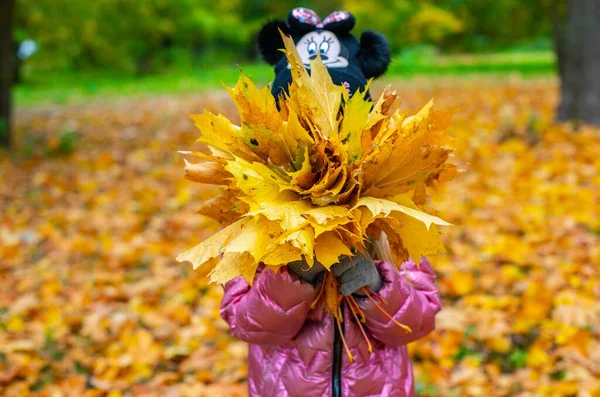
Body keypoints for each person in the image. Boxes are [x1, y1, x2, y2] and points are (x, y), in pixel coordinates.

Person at [220, 8, 442, 397]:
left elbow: (420, 320)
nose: (321, 136)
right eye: (300, 117)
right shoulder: (256, 206)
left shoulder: (390, 207)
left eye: (339, 115)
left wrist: (375, 286)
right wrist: (292, 279)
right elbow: (245, 323)